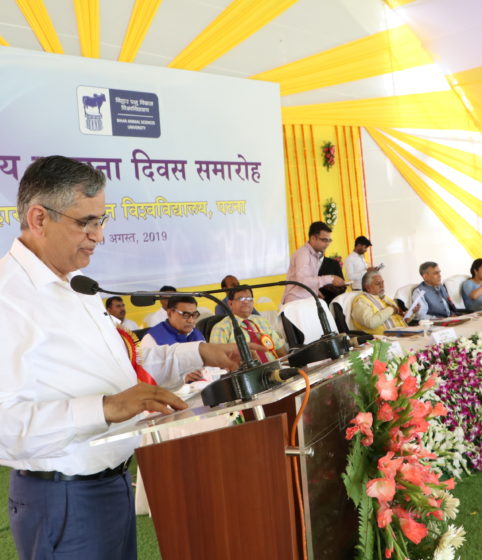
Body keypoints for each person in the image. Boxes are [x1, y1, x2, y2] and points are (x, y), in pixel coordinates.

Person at [0, 155, 255, 560]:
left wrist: (201, 352)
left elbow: (123, 368)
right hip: (62, 498)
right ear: (39, 218)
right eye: (86, 222)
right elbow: (6, 427)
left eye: (101, 220)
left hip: (115, 483)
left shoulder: (76, 286)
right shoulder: (7, 298)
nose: (98, 235)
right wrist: (105, 408)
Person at [211, 285, 288, 363]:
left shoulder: (262, 321)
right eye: (241, 299)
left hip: (274, 367)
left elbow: (281, 350)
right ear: (230, 304)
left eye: (249, 299)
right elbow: (218, 361)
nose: (246, 302)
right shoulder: (221, 328)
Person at [282, 221, 345, 303]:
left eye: (329, 240)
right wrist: (330, 278)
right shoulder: (303, 254)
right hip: (297, 302)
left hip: (306, 300)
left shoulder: (314, 255)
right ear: (313, 238)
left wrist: (314, 290)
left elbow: (308, 279)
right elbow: (302, 281)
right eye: (324, 240)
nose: (327, 244)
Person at [351, 270, 417, 334]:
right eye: (378, 284)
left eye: (382, 283)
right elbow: (371, 323)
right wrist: (391, 309)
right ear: (368, 288)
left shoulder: (385, 298)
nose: (382, 286)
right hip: (385, 338)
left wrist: (412, 313)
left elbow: (403, 321)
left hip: (403, 333)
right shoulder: (361, 301)